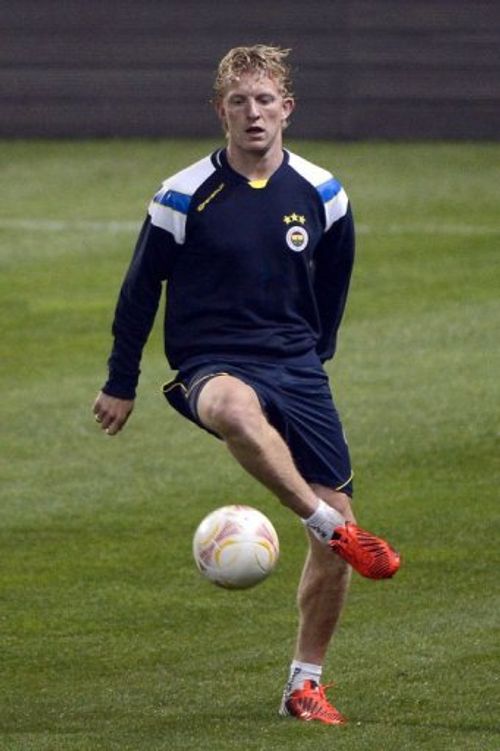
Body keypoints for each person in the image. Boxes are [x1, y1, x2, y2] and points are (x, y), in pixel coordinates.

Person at [93, 44, 400, 726]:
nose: (253, 113)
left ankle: (304, 686)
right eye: (239, 102)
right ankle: (322, 521)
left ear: (286, 108)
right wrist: (121, 380)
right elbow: (140, 289)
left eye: (265, 100)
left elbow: (335, 278)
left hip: (296, 365)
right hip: (210, 358)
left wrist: (316, 353)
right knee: (235, 409)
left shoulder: (323, 192)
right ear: (220, 111)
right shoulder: (182, 193)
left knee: (339, 539)